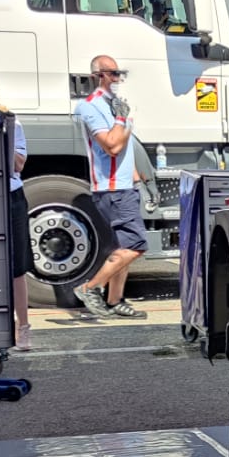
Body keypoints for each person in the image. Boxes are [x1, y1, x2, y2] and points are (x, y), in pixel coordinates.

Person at [71, 55, 144, 320]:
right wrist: (121, 119)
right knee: (136, 245)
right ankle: (91, 287)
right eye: (112, 73)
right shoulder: (90, 106)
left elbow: (124, 147)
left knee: (121, 245)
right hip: (112, 188)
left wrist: (136, 179)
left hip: (123, 186)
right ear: (97, 76)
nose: (117, 78)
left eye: (119, 73)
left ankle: (115, 300)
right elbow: (112, 146)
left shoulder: (114, 104)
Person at [0, 80, 32, 350]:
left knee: (16, 266)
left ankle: (23, 326)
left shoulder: (11, 123)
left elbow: (19, 164)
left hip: (10, 194)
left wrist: (2, 133)